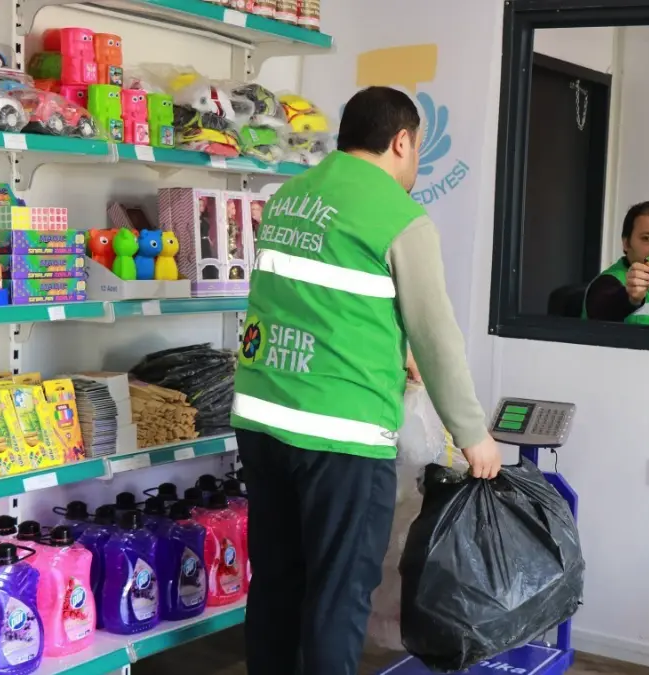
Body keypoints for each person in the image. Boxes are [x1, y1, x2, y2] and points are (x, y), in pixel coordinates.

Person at [231, 85, 503, 675]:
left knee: (277, 583)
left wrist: (392, 349)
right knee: (338, 596)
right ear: (401, 141)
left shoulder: (288, 198)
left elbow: (313, 305)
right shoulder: (399, 216)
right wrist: (473, 435)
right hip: (341, 435)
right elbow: (437, 335)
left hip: (261, 418)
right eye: (417, 148)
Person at [582, 201, 649, 326]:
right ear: (626, 244)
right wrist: (631, 299)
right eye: (646, 238)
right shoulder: (607, 282)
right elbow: (601, 310)